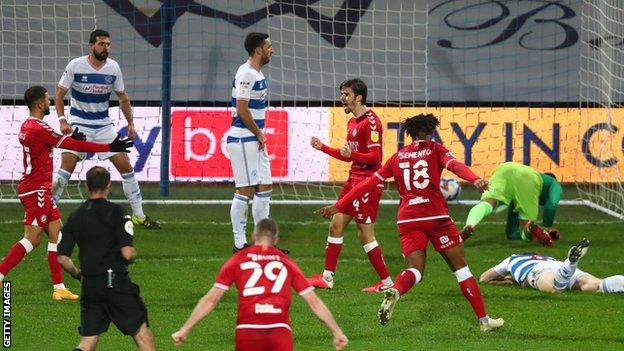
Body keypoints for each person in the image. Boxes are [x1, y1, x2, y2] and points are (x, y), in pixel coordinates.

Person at [316, 113, 504, 332]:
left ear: (410, 133)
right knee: (462, 270)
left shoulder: (398, 157)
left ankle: (396, 289)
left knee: (415, 269)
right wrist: (475, 179)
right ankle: (484, 321)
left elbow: (367, 183)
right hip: (435, 217)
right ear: (431, 131)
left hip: (407, 219)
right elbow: (455, 166)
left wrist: (339, 205)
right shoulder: (436, 149)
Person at [0, 85, 132, 300]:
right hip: (37, 191)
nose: (50, 101)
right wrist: (109, 146)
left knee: (57, 235)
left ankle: (59, 287)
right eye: (47, 98)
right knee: (32, 239)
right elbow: (68, 143)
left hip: (35, 188)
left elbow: (58, 141)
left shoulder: (28, 125)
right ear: (40, 103)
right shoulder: (39, 129)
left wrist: (75, 139)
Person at [171, 218, 348, 351]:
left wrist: (184, 329)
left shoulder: (238, 259)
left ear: (253, 236)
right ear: (276, 239)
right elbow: (314, 302)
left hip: (248, 330)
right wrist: (337, 331)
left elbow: (211, 300)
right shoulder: (286, 262)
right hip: (279, 330)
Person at [52, 29, 160, 229]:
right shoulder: (75, 65)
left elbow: (122, 97)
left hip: (103, 126)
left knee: (126, 167)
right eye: (101, 44)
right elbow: (59, 94)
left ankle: (139, 215)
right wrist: (62, 120)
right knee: (66, 167)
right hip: (79, 123)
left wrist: (130, 123)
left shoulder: (113, 68)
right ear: (91, 45)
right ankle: (48, 213)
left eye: (108, 44)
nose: (105, 48)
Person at [307, 78, 393, 293]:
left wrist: (352, 154)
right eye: (342, 94)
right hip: (352, 180)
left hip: (368, 184)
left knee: (365, 234)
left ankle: (387, 283)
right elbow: (351, 157)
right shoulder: (351, 122)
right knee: (336, 225)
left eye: (346, 94)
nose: (342, 98)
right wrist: (323, 148)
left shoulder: (371, 122)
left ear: (359, 97)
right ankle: (327, 278)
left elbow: (375, 157)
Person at [57, 166, 155, 351]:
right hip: (116, 283)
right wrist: (132, 256)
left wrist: (78, 275)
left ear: (86, 186)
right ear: (109, 185)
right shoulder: (118, 212)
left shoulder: (76, 216)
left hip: (90, 286)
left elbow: (62, 258)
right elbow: (127, 253)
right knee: (143, 337)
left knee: (87, 343)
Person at [226, 32, 275, 252]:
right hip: (243, 137)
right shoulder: (247, 74)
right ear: (258, 50)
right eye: (269, 46)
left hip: (254, 138)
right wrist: (258, 133)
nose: (272, 50)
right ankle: (239, 243)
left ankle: (262, 241)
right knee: (244, 189)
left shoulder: (254, 72)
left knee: (265, 186)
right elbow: (241, 109)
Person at [461, 162, 563, 246]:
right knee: (526, 231)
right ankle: (531, 229)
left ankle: (469, 224)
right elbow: (551, 205)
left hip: (505, 168)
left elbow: (512, 229)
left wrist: (512, 234)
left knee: (487, 203)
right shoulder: (554, 184)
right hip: (528, 178)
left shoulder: (535, 174)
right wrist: (547, 227)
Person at [480, 239, 624, 294]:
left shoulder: (512, 259)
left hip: (537, 271)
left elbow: (484, 278)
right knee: (597, 285)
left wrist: (506, 280)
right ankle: (569, 266)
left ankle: (570, 264)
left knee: (554, 289)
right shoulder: (547, 257)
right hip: (557, 265)